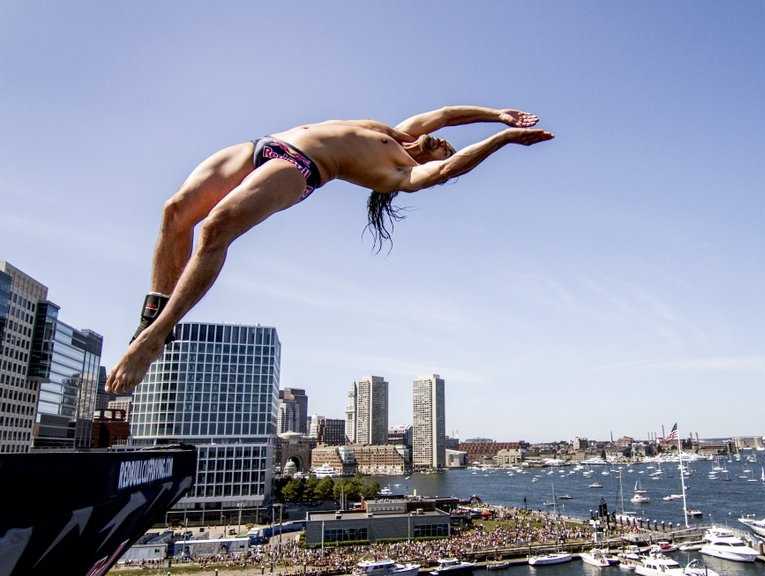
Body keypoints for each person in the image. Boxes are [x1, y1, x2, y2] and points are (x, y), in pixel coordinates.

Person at [105, 106, 554, 393]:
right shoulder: (397, 132)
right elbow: (446, 114)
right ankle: (152, 316)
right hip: (261, 145)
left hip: (297, 165)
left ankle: (154, 337)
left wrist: (503, 140)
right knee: (175, 212)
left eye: (442, 150)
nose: (441, 142)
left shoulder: (400, 174)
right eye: (441, 142)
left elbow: (454, 165)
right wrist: (497, 114)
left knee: (215, 230)